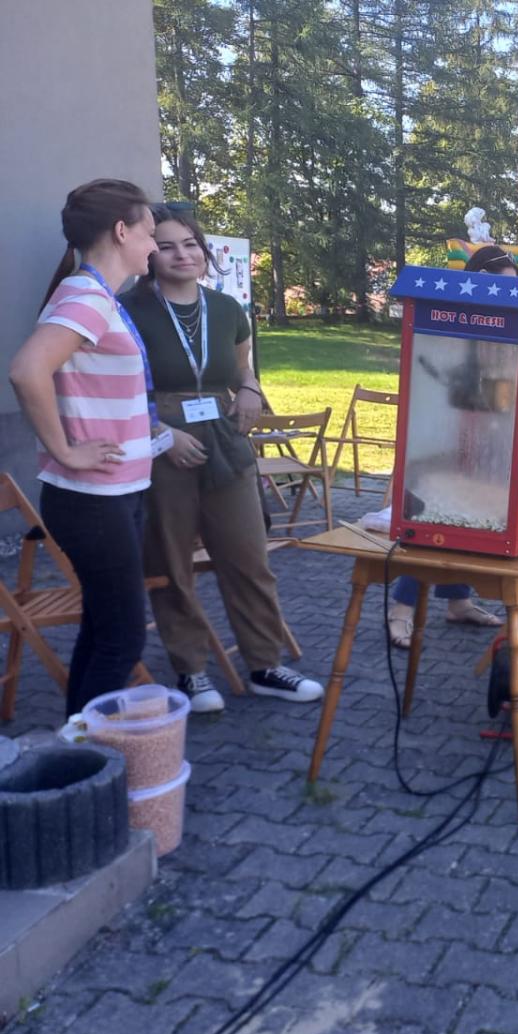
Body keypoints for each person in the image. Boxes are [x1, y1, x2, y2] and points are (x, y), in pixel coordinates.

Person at [119, 206, 322, 713]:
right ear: (150, 253)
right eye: (166, 246)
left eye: (190, 244)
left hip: (225, 438)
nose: (182, 255)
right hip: (161, 438)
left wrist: (250, 388)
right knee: (171, 562)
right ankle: (191, 672)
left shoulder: (227, 308)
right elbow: (115, 387)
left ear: (203, 250)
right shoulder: (127, 309)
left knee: (249, 558)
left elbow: (241, 367)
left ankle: (265, 665)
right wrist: (160, 433)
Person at [9, 180, 163, 716]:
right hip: (92, 498)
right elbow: (27, 371)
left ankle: (80, 742)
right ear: (121, 231)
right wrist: (66, 451)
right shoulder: (87, 296)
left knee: (103, 629)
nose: (154, 245)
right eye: (149, 232)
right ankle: (93, 751)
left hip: (113, 493)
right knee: (123, 637)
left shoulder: (94, 294)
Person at [386, 249, 517, 647]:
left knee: (470, 513)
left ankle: (457, 600)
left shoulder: (508, 325)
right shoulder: (453, 321)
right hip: (445, 434)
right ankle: (402, 608)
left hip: (487, 432)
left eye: (512, 287)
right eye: (500, 286)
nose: (506, 295)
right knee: (434, 516)